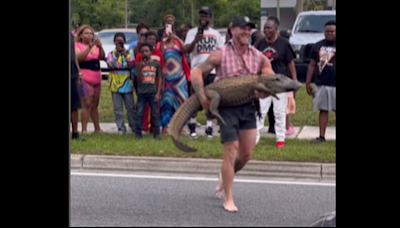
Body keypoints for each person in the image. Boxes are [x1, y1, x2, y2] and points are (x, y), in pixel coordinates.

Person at [190, 16, 274, 212]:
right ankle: (228, 197)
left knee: (245, 155)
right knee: (231, 151)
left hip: (248, 107)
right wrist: (203, 97)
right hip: (226, 107)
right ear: (232, 30)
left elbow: (269, 75)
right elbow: (197, 73)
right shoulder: (221, 54)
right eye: (242, 28)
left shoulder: (258, 56)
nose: (246, 32)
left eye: (249, 29)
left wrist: (267, 88)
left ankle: (225, 178)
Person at [254, 16, 297, 148]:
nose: (266, 30)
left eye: (269, 28)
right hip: (264, 83)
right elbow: (255, 63)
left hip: (280, 84)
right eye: (265, 28)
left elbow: (291, 64)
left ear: (276, 29)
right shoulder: (260, 44)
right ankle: (254, 139)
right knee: (260, 111)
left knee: (279, 112)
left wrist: (293, 82)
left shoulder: (284, 43)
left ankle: (280, 139)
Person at [184, 6, 224, 139]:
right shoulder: (192, 32)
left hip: (212, 72)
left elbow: (221, 52)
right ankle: (192, 126)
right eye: (201, 16)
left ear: (210, 18)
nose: (203, 18)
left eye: (206, 16)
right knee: (195, 100)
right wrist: (195, 40)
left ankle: (209, 127)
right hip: (197, 71)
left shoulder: (216, 34)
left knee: (212, 100)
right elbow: (186, 50)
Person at [157, 17, 190, 134]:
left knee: (181, 100)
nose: (169, 22)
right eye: (167, 21)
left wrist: (176, 38)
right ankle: (165, 126)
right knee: (166, 101)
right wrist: (163, 40)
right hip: (167, 78)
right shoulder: (161, 43)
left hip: (179, 78)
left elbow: (185, 50)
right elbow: (160, 54)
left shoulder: (177, 42)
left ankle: (180, 126)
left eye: (171, 21)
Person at [306, 20, 336, 144]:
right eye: (327, 31)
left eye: (332, 31)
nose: (329, 34)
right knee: (323, 110)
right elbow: (312, 65)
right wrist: (308, 82)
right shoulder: (318, 45)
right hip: (321, 83)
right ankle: (321, 137)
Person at [75, 25, 106, 134]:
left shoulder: (96, 47)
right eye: (86, 33)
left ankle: (97, 128)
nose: (89, 35)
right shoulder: (77, 45)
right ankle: (84, 129)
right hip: (85, 78)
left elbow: (102, 57)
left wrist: (100, 47)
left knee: (94, 104)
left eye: (91, 33)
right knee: (87, 104)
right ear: (81, 35)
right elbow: (79, 58)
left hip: (96, 77)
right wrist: (89, 47)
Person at [135, 31, 165, 133]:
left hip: (154, 87)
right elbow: (137, 76)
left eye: (154, 39)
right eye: (150, 39)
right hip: (143, 89)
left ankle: (154, 130)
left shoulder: (158, 54)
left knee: (155, 110)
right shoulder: (140, 58)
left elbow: (161, 73)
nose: (152, 40)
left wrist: (161, 88)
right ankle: (143, 128)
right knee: (142, 110)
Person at [106, 32, 136, 134]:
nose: (119, 42)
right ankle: (121, 128)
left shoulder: (129, 52)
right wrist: (116, 55)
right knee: (118, 108)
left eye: (121, 41)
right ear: (114, 42)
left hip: (127, 83)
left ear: (124, 41)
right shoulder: (111, 53)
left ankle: (133, 125)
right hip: (115, 84)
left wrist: (125, 55)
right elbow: (110, 64)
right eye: (117, 41)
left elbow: (132, 63)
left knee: (130, 107)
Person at [71, 33, 84, 141]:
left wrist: (78, 71)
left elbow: (73, 55)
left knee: (74, 105)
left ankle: (75, 133)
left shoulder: (71, 35)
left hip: (72, 74)